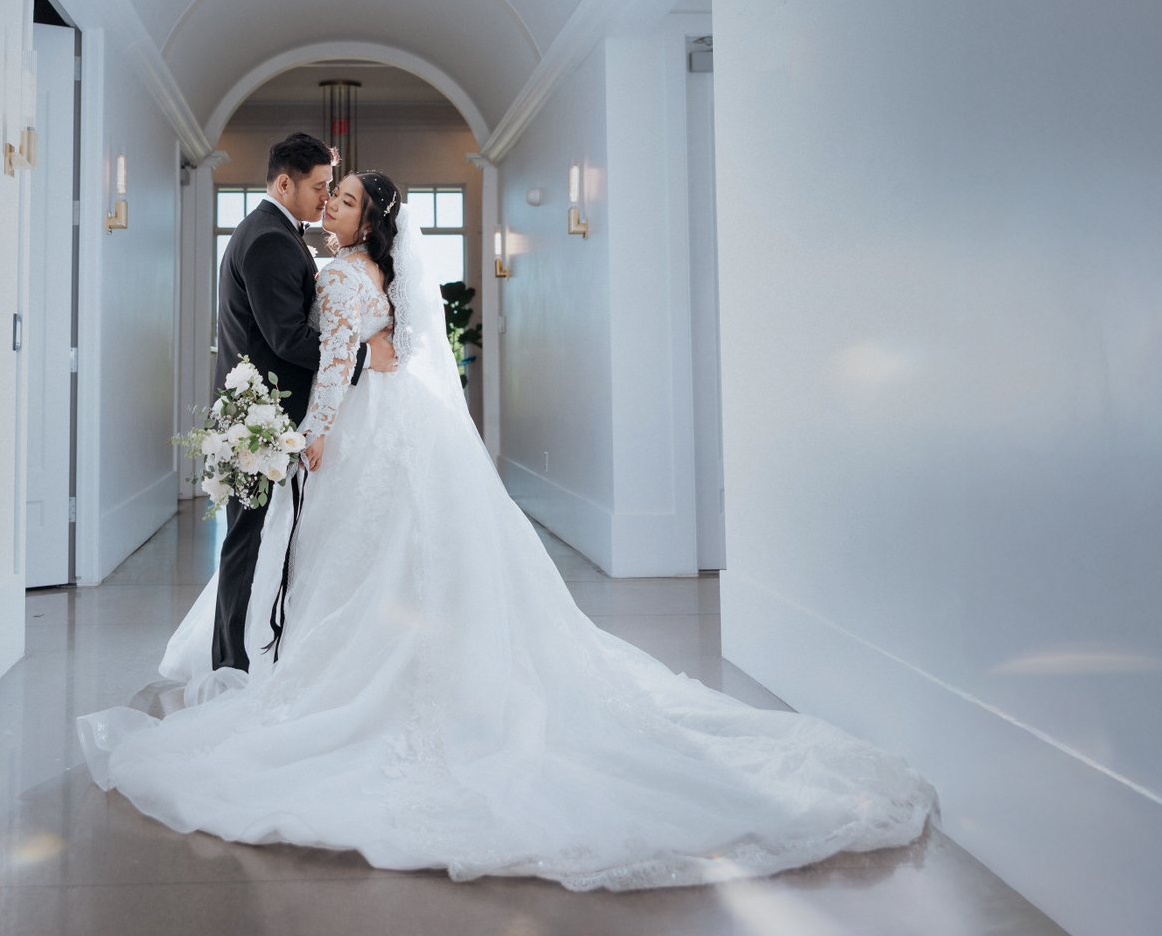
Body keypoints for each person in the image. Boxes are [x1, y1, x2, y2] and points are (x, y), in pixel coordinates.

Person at [78, 171, 938, 890]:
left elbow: (335, 369)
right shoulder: (372, 277)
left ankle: (358, 690)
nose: (328, 211)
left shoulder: (341, 277)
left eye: (341, 203)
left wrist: (311, 438)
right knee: (407, 565)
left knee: (360, 568)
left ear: (368, 223)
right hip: (409, 426)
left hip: (364, 433)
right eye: (328, 197)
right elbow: (390, 349)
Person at [205, 131, 394, 670]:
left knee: (259, 542)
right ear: (284, 183)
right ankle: (232, 668)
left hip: (264, 412)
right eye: (318, 186)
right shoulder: (269, 239)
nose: (325, 197)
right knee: (249, 544)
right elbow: (288, 338)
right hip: (262, 418)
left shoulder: (275, 233)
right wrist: (362, 358)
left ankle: (240, 659)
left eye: (334, 188)